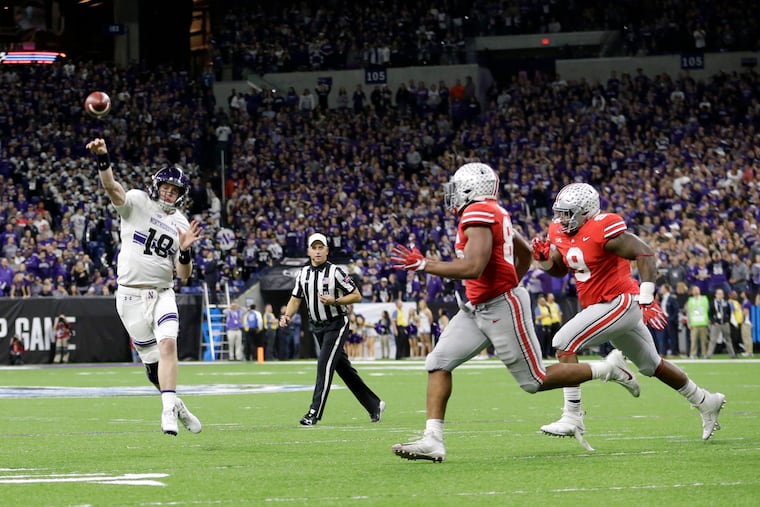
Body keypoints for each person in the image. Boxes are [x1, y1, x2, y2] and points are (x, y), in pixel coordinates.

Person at [389, 163, 640, 462]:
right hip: (477, 306)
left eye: (457, 187)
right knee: (438, 363)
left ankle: (608, 369)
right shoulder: (494, 211)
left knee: (534, 381)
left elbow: (473, 267)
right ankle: (433, 439)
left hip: (501, 305)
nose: (453, 193)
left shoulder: (477, 213)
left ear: (470, 189)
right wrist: (509, 278)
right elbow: (523, 251)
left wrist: (424, 265)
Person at [531, 182, 725, 445]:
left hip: (619, 301)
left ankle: (573, 415)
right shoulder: (559, 230)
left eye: (568, 213)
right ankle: (705, 400)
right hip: (600, 305)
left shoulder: (602, 227)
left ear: (586, 212)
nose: (561, 219)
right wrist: (545, 261)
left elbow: (644, 253)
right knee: (651, 365)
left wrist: (646, 297)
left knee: (563, 341)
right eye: (560, 213)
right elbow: (562, 269)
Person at [85, 137, 202, 436]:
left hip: (162, 293)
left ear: (181, 195)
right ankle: (177, 405)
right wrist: (103, 157)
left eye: (174, 190)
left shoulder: (180, 222)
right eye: (166, 186)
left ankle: (167, 411)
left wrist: (186, 250)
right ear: (156, 185)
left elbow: (184, 274)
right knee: (152, 365)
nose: (168, 192)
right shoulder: (137, 201)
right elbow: (112, 187)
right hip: (129, 296)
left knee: (168, 343)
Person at [279, 233, 385, 426]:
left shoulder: (335, 272)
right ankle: (374, 404)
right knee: (344, 370)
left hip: (337, 323)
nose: (318, 251)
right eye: (315, 248)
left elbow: (356, 295)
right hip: (317, 326)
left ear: (327, 251)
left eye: (321, 248)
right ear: (309, 251)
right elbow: (295, 299)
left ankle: (314, 412)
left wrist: (335, 301)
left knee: (324, 366)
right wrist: (287, 315)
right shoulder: (303, 274)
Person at [706, 288, 735, 359]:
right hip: (716, 324)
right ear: (716, 295)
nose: (720, 295)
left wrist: (727, 321)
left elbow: (729, 312)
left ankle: (732, 354)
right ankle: (708, 355)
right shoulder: (712, 303)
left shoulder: (726, 303)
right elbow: (709, 314)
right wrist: (713, 322)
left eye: (721, 294)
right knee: (713, 339)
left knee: (728, 339)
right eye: (718, 294)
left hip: (724, 323)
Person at [686, 285, 710, 358]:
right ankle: (693, 354)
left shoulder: (704, 299)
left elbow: (708, 310)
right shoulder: (690, 300)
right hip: (694, 323)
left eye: (697, 289)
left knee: (704, 340)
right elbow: (688, 312)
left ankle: (704, 353)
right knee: (693, 340)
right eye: (695, 290)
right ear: (692, 292)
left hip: (703, 322)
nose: (696, 291)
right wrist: (688, 323)